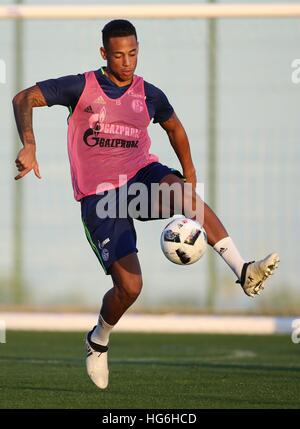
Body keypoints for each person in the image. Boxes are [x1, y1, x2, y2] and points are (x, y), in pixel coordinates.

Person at [13, 19, 279, 390]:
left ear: (139, 49)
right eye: (118, 55)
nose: (127, 62)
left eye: (133, 53)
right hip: (101, 199)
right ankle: (98, 340)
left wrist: (188, 174)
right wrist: (30, 143)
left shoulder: (149, 94)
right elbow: (23, 97)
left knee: (186, 196)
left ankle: (244, 270)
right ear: (104, 54)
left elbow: (174, 127)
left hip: (142, 177)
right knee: (131, 288)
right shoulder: (81, 86)